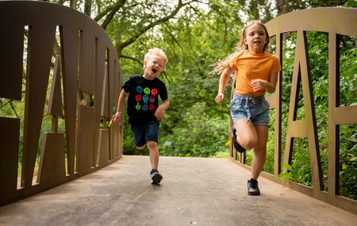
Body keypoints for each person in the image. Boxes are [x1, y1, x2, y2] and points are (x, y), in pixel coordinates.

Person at [214, 21, 281, 196]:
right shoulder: (239, 57)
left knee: (261, 146)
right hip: (240, 105)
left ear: (266, 39)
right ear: (245, 39)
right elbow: (226, 73)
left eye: (261, 33)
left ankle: (253, 181)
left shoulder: (273, 60)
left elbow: (272, 88)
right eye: (252, 34)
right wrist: (221, 91)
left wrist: (265, 83)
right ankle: (238, 132)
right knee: (250, 142)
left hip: (260, 106)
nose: (256, 36)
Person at [113, 48, 169, 185]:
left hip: (152, 119)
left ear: (161, 70)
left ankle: (154, 171)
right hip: (136, 120)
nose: (157, 66)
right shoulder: (134, 81)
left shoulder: (160, 85)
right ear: (145, 64)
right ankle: (140, 141)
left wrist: (161, 107)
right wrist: (119, 112)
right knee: (139, 145)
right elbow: (123, 94)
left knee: (152, 143)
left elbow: (166, 101)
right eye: (155, 63)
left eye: (160, 65)